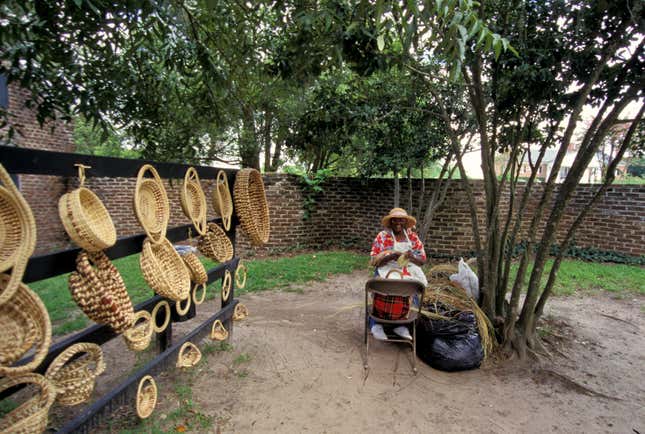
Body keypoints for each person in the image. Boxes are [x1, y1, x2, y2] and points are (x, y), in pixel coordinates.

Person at [369, 207, 427, 341]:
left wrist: (411, 256)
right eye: (394, 220)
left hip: (408, 267)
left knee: (413, 286)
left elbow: (422, 260)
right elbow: (374, 261)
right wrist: (392, 256)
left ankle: (402, 324)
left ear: (406, 222)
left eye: (401, 220)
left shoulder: (412, 236)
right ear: (390, 222)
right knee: (386, 286)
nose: (398, 223)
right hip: (387, 267)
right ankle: (376, 324)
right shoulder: (382, 236)